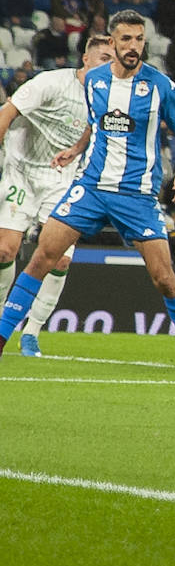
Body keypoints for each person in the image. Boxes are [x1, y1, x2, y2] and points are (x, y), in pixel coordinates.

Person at [0, 11, 175, 367]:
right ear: (112, 43)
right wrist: (78, 148)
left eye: (139, 39)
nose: (133, 47)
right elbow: (95, 122)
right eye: (126, 39)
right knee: (42, 256)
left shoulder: (160, 85)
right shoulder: (96, 80)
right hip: (92, 188)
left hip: (137, 195)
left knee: (163, 278)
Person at [0, 34, 115, 356]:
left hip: (62, 179)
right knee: (5, 252)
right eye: (105, 58)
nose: (110, 65)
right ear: (87, 60)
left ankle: (32, 334)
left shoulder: (106, 97)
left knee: (60, 258)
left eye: (114, 60)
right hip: (21, 173)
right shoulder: (50, 83)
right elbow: (7, 113)